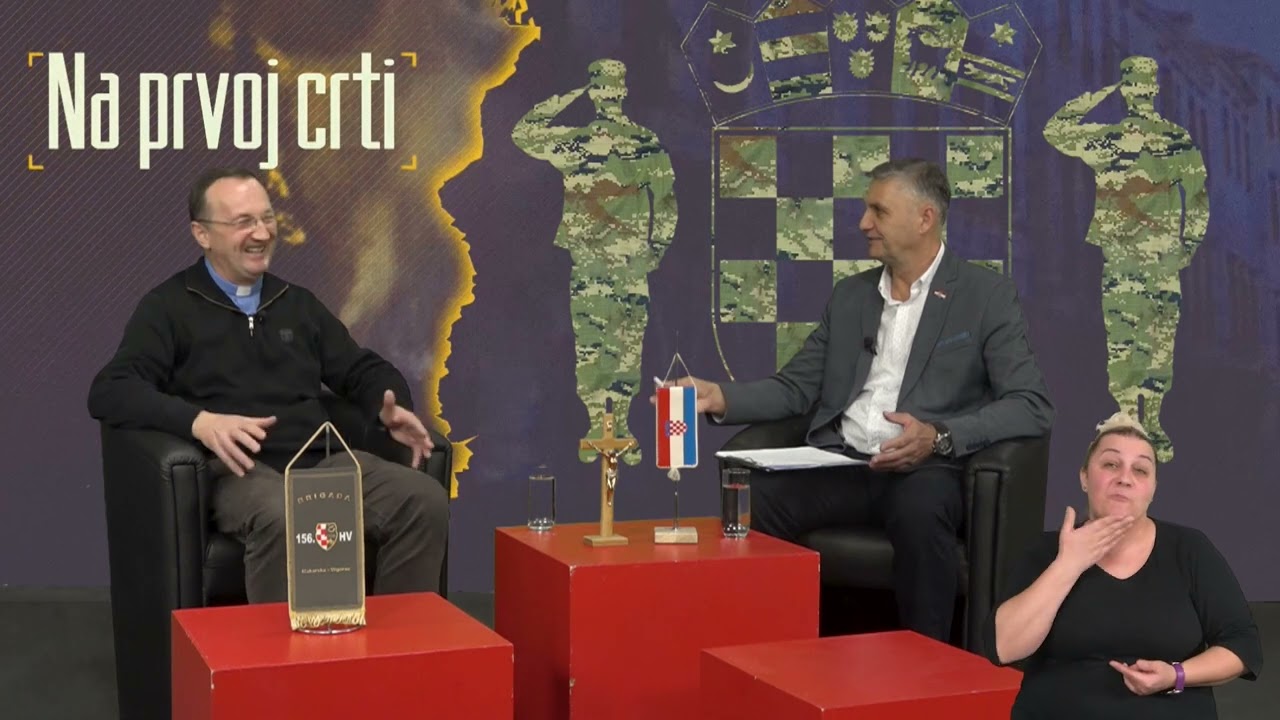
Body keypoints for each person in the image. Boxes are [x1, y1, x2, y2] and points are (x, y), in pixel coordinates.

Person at [670, 158, 1053, 642]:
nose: (863, 223)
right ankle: (769, 653)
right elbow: (796, 387)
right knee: (755, 497)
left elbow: (1031, 403)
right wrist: (719, 397)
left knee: (920, 510)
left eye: (878, 211)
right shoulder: (851, 296)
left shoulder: (985, 296)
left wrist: (939, 435)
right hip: (844, 464)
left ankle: (925, 662)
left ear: (925, 219)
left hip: (926, 468)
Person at [88, 167, 449, 603]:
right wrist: (200, 422)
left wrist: (389, 405)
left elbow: (361, 368)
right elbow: (111, 388)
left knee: (423, 500)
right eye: (244, 222)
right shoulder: (168, 307)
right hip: (239, 472)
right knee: (281, 512)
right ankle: (278, 650)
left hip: (319, 465)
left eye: (267, 218)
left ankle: (398, 644)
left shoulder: (297, 304)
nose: (261, 233)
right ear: (202, 234)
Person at [984, 413, 1262, 719]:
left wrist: (1176, 675)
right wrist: (1068, 565)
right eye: (1111, 464)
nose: (1125, 478)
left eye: (1140, 470)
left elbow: (1242, 645)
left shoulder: (1190, 550)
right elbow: (1004, 647)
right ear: (1084, 477)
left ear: (1152, 489)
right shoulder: (1045, 551)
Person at [512, 58, 678, 463]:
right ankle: (604, 426)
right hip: (606, 264)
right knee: (607, 345)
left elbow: (667, 203)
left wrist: (566, 97)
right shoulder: (609, 142)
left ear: (609, 92)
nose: (606, 94)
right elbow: (665, 204)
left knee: (610, 346)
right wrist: (655, 251)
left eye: (604, 87)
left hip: (613, 264)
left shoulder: (611, 142)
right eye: (602, 87)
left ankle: (614, 426)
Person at [1044, 55, 1208, 462]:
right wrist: (1188, 246)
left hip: (1143, 259)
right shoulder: (1138, 139)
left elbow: (1198, 194)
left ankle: (1143, 421)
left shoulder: (1142, 139)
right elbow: (1055, 131)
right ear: (1142, 89)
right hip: (1140, 259)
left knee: (1142, 340)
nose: (1136, 92)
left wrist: (1188, 246)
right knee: (1140, 340)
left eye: (1135, 85)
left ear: (1139, 90)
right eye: (1133, 85)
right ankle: (1138, 421)